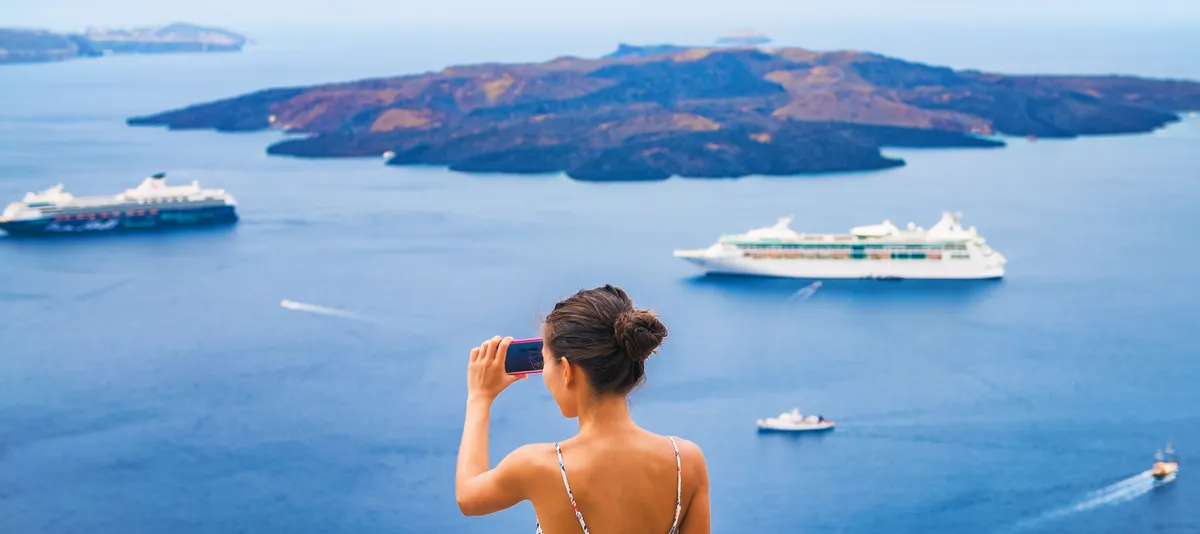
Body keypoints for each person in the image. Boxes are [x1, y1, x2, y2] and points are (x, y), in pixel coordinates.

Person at [456, 284, 710, 534]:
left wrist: (480, 397)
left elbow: (468, 497)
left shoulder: (537, 465)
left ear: (566, 371)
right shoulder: (686, 461)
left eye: (544, 361)